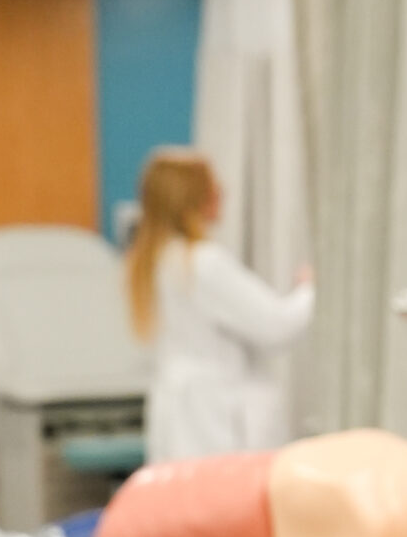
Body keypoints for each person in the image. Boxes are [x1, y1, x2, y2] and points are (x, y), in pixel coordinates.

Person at [125, 148, 312, 463]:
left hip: (183, 415)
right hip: (212, 417)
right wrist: (310, 289)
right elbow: (278, 327)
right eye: (212, 184)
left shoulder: (155, 261)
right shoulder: (201, 263)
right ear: (192, 197)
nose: (222, 191)